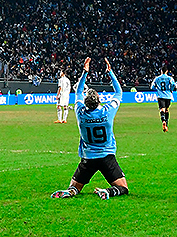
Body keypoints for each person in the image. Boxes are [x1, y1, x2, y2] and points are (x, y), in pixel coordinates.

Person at [52, 57, 129, 200]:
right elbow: (118, 92)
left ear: (86, 102)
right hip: (107, 157)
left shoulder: (80, 112)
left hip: (88, 159)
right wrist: (110, 72)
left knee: (74, 187)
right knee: (123, 188)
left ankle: (71, 192)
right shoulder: (107, 111)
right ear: (99, 100)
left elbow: (78, 92)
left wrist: (85, 72)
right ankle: (108, 192)